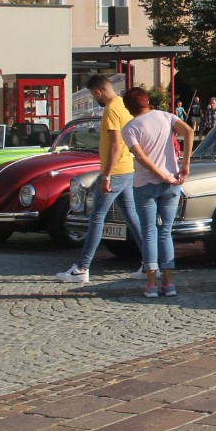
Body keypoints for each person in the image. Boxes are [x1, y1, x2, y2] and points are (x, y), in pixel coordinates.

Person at [57, 75, 144, 284]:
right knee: (132, 217)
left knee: (96, 218)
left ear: (97, 92)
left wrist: (106, 175)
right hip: (127, 169)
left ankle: (81, 268)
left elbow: (115, 144)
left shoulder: (111, 110)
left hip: (114, 172)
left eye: (91, 94)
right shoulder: (123, 105)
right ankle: (151, 264)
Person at [121, 86, 194, 299]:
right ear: (147, 102)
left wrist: (160, 175)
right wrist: (185, 164)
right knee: (166, 232)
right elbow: (189, 131)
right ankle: (169, 284)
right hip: (173, 182)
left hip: (145, 184)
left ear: (129, 107)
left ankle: (151, 284)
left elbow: (141, 158)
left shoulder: (130, 127)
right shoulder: (165, 116)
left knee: (149, 231)